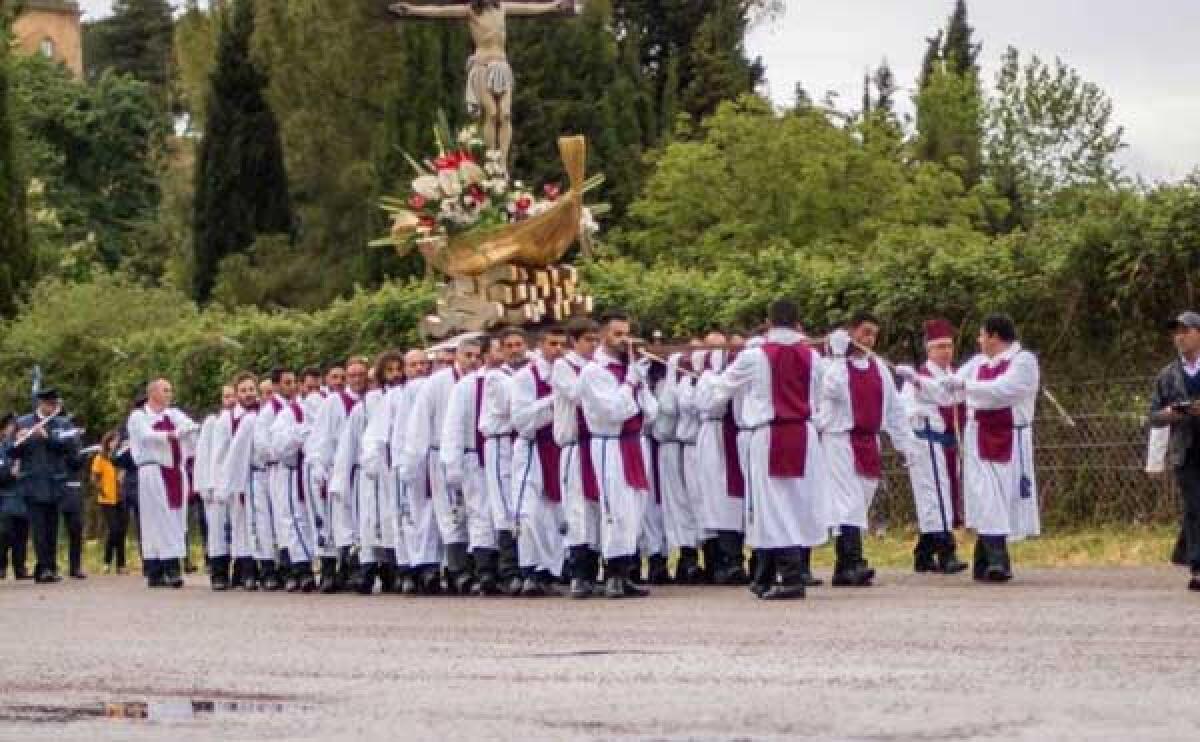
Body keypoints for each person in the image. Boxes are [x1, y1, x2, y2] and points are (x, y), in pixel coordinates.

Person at [708, 300, 833, 600]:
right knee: (793, 501)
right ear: (797, 322)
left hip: (770, 433)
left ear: (769, 322)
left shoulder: (753, 356)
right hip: (803, 432)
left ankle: (790, 576)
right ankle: (765, 574)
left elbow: (721, 391)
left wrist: (711, 382)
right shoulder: (813, 357)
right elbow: (820, 395)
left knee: (772, 504)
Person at [935, 313, 1041, 582]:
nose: (979, 341)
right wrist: (919, 383)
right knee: (984, 496)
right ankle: (987, 559)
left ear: (994, 336)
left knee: (998, 497)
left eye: (982, 335)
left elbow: (1003, 391)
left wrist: (964, 386)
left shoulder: (1023, 362)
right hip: (978, 435)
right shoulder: (977, 363)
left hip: (1007, 437)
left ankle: (996, 558)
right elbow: (949, 391)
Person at [821, 313, 918, 588]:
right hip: (839, 439)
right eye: (864, 332)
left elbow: (894, 411)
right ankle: (851, 562)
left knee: (860, 500)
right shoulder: (831, 366)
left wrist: (906, 443)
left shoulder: (878, 369)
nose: (869, 339)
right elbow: (832, 390)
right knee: (847, 502)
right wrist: (839, 357)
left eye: (873, 334)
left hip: (867, 441)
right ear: (850, 333)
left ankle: (846, 564)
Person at [579, 312, 660, 599]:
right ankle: (611, 572)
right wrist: (630, 384)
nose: (623, 340)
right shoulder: (594, 371)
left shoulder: (629, 368)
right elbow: (613, 411)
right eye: (617, 334)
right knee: (615, 510)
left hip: (634, 442)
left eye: (626, 334)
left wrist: (638, 381)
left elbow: (650, 411)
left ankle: (626, 571)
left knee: (635, 508)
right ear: (603, 335)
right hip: (609, 443)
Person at [406, 337, 484, 594]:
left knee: (475, 513)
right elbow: (419, 422)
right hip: (442, 455)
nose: (472, 361)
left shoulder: (482, 381)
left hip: (474, 454)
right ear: (457, 357)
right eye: (467, 356)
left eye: (476, 356)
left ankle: (476, 568)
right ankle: (457, 571)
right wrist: (413, 461)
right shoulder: (437, 384)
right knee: (450, 515)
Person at [896, 319, 968, 574]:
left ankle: (924, 553)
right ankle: (946, 551)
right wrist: (918, 414)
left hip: (950, 444)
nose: (946, 352)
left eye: (949, 346)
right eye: (940, 347)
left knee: (947, 496)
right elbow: (903, 409)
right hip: (927, 443)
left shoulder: (955, 376)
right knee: (934, 497)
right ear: (929, 350)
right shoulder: (916, 378)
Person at [511, 326, 570, 596]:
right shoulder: (526, 377)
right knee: (530, 511)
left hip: (559, 448)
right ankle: (530, 568)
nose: (557, 350)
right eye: (552, 344)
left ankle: (555, 566)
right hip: (533, 448)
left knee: (558, 512)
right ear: (541, 345)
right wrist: (551, 401)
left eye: (561, 344)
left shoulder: (569, 373)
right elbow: (521, 420)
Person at [551, 319, 606, 598]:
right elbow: (577, 395)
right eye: (587, 340)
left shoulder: (597, 367)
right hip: (574, 444)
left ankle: (596, 569)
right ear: (574, 341)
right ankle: (579, 574)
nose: (593, 345)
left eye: (597, 340)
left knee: (598, 509)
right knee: (577, 509)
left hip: (596, 444)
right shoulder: (563, 366)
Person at [128, 379, 200, 588]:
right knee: (156, 519)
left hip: (174, 470)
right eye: (165, 390)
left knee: (173, 517)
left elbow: (189, 426)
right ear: (152, 393)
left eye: (170, 390)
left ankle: (168, 565)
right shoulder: (139, 416)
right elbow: (147, 436)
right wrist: (172, 435)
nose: (170, 394)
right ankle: (159, 567)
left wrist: (186, 431)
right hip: (152, 470)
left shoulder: (173, 414)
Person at [693, 336, 752, 585]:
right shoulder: (709, 376)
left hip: (737, 434)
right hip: (715, 437)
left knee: (742, 499)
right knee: (719, 499)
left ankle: (745, 558)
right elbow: (708, 402)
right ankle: (725, 560)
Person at [1149, 310, 1200, 591]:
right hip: (1185, 449)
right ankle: (1197, 568)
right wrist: (1169, 414)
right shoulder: (1167, 375)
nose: (1179, 337)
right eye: (1176, 332)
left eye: (1186, 331)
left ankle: (1187, 554)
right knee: (1195, 506)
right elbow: (1153, 415)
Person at [309, 357, 369, 592]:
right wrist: (319, 464)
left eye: (359, 375)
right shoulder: (334, 402)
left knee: (360, 524)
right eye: (350, 376)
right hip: (339, 470)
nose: (355, 380)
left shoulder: (372, 400)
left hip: (362, 472)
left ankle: (353, 569)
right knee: (336, 524)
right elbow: (321, 436)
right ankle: (328, 570)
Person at [12, 388, 81, 584]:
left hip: (56, 482)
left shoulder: (62, 423)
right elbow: (12, 452)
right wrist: (19, 441)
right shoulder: (24, 422)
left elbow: (69, 448)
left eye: (55, 404)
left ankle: (50, 566)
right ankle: (43, 568)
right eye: (49, 404)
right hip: (33, 483)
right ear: (40, 404)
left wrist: (47, 438)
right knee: (39, 529)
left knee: (52, 528)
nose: (53, 408)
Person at [478, 329, 528, 595]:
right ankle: (509, 570)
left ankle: (527, 565)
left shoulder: (519, 374)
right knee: (504, 505)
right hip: (499, 441)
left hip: (518, 441)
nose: (514, 350)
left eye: (518, 345)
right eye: (506, 346)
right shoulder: (496, 377)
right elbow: (512, 406)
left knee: (521, 502)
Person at [218, 373, 263, 590]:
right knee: (241, 526)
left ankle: (262, 568)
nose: (248, 394)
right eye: (243, 391)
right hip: (238, 477)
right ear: (236, 394)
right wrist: (224, 482)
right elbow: (224, 453)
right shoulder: (228, 419)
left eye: (251, 389)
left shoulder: (264, 412)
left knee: (260, 524)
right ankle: (246, 571)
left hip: (260, 476)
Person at [194, 385, 236, 590]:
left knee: (236, 530)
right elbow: (203, 455)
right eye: (226, 396)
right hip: (215, 483)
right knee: (217, 531)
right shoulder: (213, 422)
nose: (230, 400)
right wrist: (204, 484)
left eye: (233, 396)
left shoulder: (241, 420)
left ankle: (238, 570)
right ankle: (218, 572)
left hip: (234, 484)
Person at [0, 412, 30, 580]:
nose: (14, 428)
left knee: (21, 534)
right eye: (11, 426)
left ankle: (20, 568)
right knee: (4, 534)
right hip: (5, 497)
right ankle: (1, 566)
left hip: (23, 496)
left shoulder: (23, 447)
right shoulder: (2, 449)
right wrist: (10, 474)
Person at [93, 431, 127, 574]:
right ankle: (107, 561)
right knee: (114, 529)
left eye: (117, 441)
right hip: (107, 499)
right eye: (113, 441)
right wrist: (101, 490)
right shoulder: (100, 458)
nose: (115, 443)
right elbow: (95, 477)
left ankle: (121, 564)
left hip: (121, 497)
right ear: (107, 442)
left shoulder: (121, 457)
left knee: (122, 531)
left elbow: (125, 469)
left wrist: (122, 475)